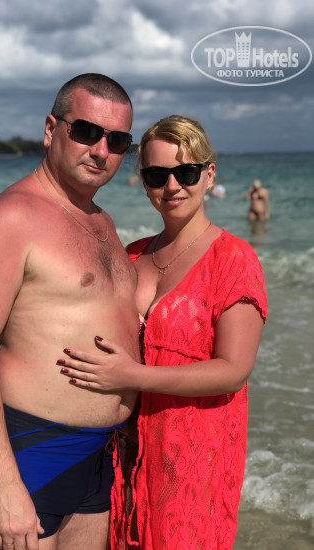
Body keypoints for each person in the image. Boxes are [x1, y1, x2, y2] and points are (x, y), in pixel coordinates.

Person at [0, 73, 140, 550]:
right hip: (34, 448)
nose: (101, 151)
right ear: (51, 129)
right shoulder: (12, 217)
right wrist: (4, 484)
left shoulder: (103, 222)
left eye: (117, 141)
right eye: (86, 131)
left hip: (99, 452)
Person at [58, 115, 268, 549]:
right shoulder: (133, 255)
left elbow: (234, 370)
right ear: (144, 182)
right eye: (156, 175)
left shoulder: (233, 258)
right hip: (121, 452)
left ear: (209, 174)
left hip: (192, 455)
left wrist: (131, 376)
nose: (172, 186)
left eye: (186, 172)